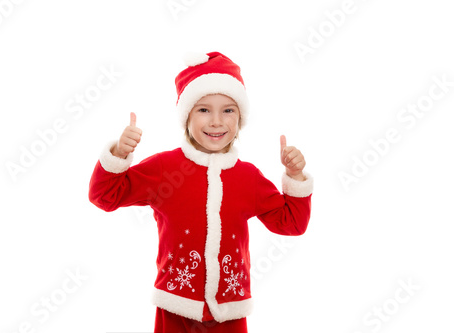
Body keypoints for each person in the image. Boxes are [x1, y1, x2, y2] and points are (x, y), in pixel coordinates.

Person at [88, 51, 313, 332]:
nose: (216, 121)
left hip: (229, 312)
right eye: (204, 109)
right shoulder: (164, 169)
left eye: (228, 110)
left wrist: (295, 177)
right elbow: (104, 196)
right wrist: (119, 154)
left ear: (240, 117)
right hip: (175, 307)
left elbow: (292, 223)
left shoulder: (248, 177)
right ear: (187, 116)